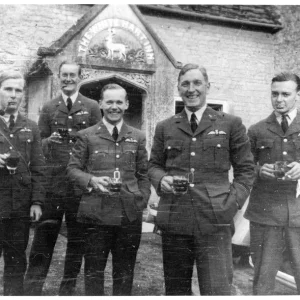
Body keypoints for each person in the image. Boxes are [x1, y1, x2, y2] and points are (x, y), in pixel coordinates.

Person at [148, 63, 254, 295]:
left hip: (215, 220)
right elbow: (153, 165)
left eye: (197, 83)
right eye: (185, 84)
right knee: (176, 290)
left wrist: (230, 204)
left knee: (217, 290)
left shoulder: (230, 124)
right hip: (175, 218)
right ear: (178, 87)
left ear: (208, 86)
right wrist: (161, 179)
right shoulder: (165, 127)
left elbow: (246, 170)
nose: (191, 89)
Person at [24, 61, 102, 295]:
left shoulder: (92, 106)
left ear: (80, 77)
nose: (68, 79)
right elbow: (38, 144)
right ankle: (32, 289)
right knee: (44, 237)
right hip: (54, 185)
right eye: (64, 75)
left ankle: (67, 290)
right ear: (59, 77)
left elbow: (98, 143)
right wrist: (50, 142)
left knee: (77, 241)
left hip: (79, 186)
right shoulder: (49, 107)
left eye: (72, 75)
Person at [67, 83, 151, 295]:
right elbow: (72, 169)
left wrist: (140, 200)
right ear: (101, 104)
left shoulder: (138, 136)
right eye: (110, 102)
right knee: (94, 271)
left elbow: (144, 173)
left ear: (127, 104)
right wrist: (91, 181)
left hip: (128, 216)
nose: (115, 107)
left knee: (125, 272)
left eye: (119, 102)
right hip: (95, 214)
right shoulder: (86, 135)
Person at [245, 72, 300, 295]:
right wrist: (260, 170)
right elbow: (244, 168)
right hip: (265, 214)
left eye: (285, 94)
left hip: (298, 213)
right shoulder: (256, 130)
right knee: (263, 281)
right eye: (274, 94)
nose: (279, 99)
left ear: (297, 95)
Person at [0, 70, 45, 295]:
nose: (13, 95)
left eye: (18, 90)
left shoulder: (32, 127)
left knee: (17, 260)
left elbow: (38, 167)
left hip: (19, 206)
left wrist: (36, 202)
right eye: (8, 89)